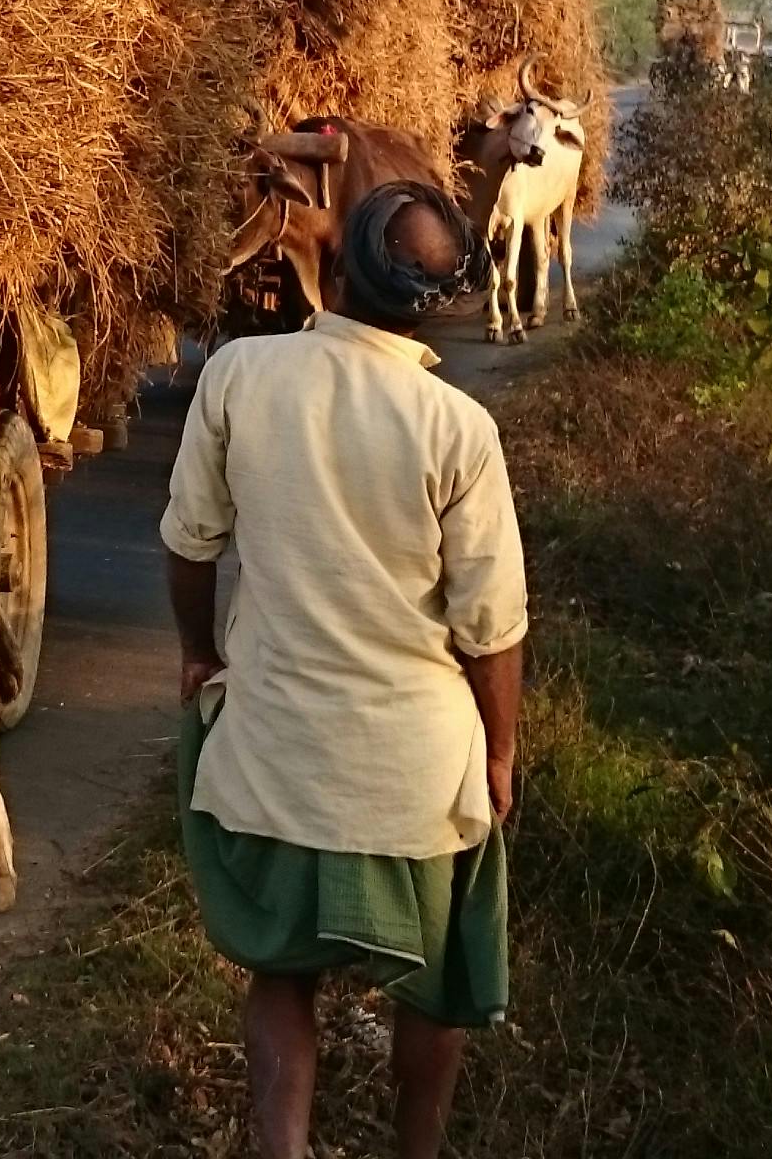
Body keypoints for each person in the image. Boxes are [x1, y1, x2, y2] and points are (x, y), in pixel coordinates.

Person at [162, 180, 525, 1159]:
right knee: (439, 983)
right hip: (417, 773)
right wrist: (500, 752)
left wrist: (199, 651)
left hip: (276, 753)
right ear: (441, 299)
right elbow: (491, 630)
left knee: (282, 981)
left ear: (345, 263)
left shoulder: (239, 374)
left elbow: (191, 544)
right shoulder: (459, 430)